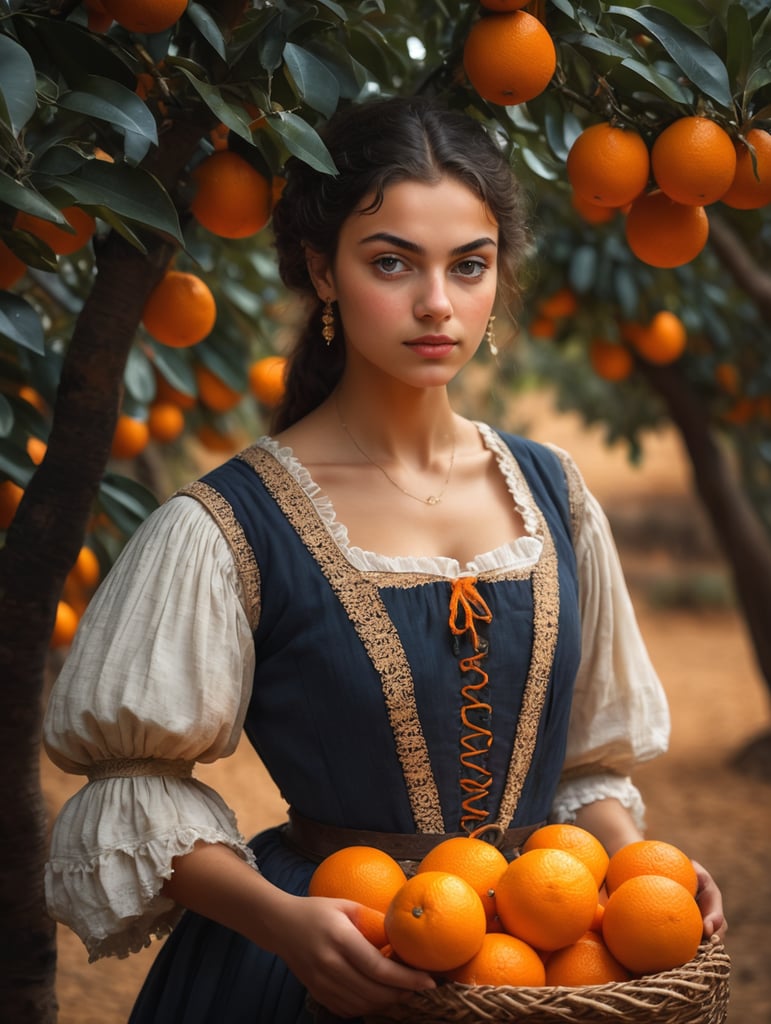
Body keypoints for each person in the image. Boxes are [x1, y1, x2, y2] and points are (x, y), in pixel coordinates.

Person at [43, 95, 726, 1024]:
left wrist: (646, 881)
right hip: (322, 960)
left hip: (538, 963)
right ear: (322, 271)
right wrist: (283, 925)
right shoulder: (224, 524)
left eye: (469, 266)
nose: (437, 303)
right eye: (392, 262)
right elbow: (133, 786)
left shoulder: (553, 491)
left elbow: (586, 768)